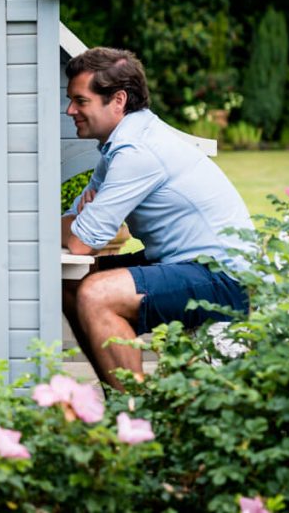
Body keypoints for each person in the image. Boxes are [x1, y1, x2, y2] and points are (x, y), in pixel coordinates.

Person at [61, 47, 251, 389]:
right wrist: (78, 221)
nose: (70, 109)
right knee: (71, 280)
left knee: (96, 293)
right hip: (182, 263)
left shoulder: (137, 151)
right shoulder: (117, 146)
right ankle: (120, 392)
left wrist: (78, 222)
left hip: (222, 277)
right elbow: (74, 224)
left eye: (80, 100)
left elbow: (79, 241)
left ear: (117, 100)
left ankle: (136, 417)